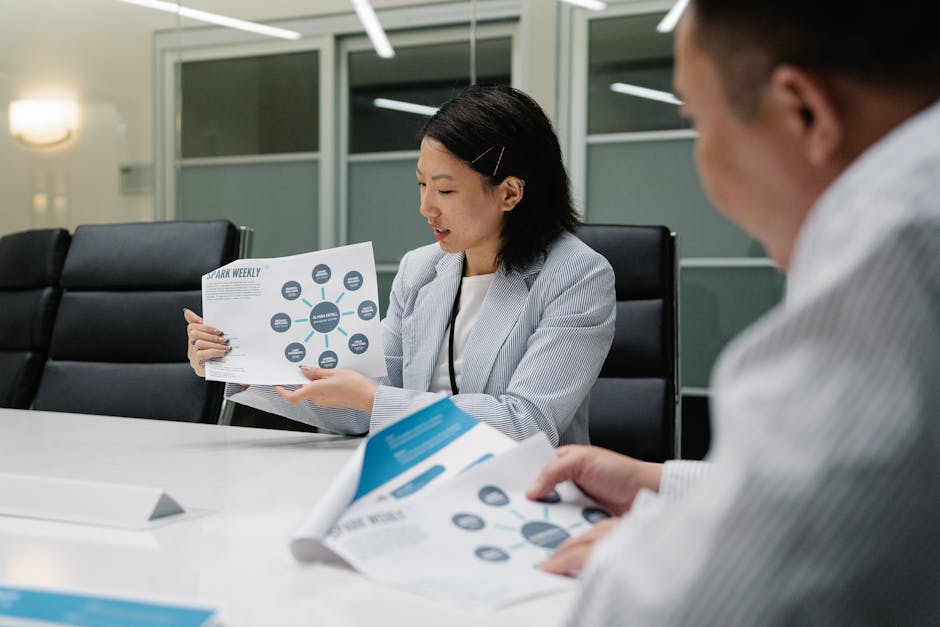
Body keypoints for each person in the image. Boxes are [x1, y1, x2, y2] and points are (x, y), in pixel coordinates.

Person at [527, 0, 940, 623]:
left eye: (696, 121)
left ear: (803, 111)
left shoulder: (901, 233)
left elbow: (711, 600)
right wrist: (659, 483)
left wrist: (647, 544)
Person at [185, 84, 616, 445]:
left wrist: (373, 400)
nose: (426, 207)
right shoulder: (422, 269)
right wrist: (238, 366)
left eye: (445, 191)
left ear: (509, 193)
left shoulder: (577, 276)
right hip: (412, 476)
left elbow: (527, 424)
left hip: (519, 494)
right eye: (422, 184)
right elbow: (359, 406)